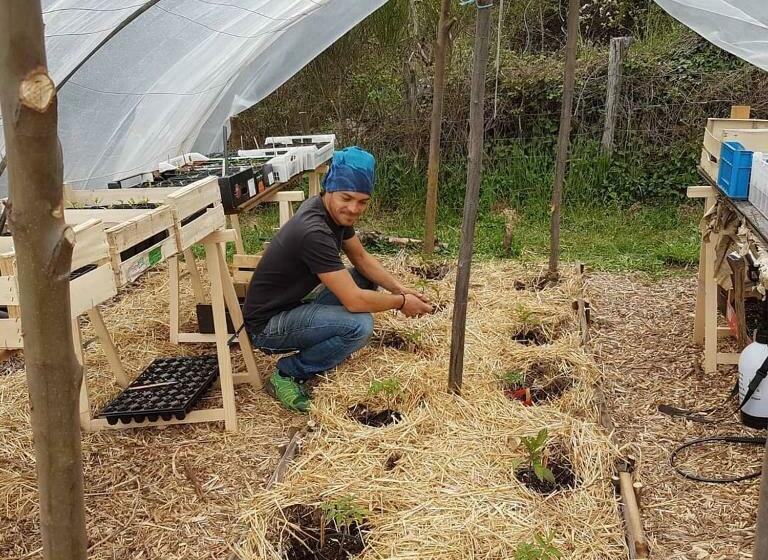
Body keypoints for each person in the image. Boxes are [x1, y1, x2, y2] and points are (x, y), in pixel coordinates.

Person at [243, 146, 433, 413]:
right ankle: (288, 374)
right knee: (359, 324)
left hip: (292, 305)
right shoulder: (314, 231)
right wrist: (401, 303)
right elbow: (354, 302)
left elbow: (362, 259)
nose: (354, 208)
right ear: (330, 187)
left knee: (364, 279)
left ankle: (328, 337)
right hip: (268, 326)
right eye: (347, 198)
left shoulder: (329, 211)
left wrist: (402, 289)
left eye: (362, 201)